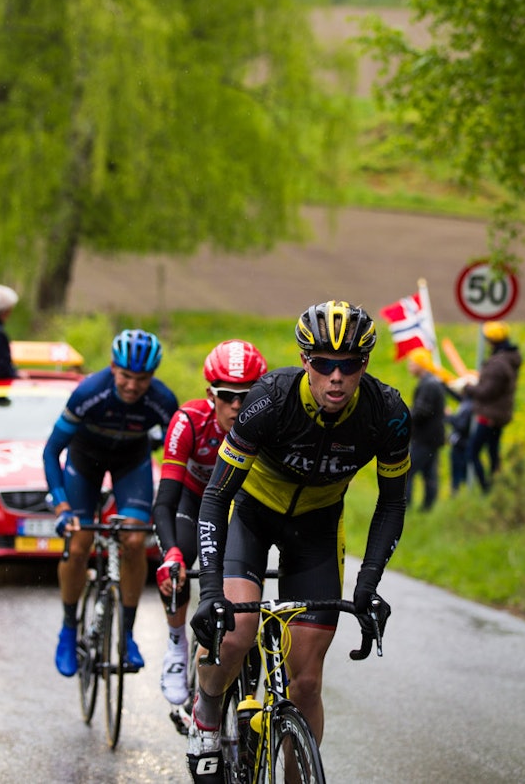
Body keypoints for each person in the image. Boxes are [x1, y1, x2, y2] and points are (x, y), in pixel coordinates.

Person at [186, 300, 409, 783]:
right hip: (252, 515)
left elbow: (392, 505)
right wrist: (208, 594)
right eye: (322, 363)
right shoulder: (269, 399)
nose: (335, 377)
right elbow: (216, 495)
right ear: (305, 360)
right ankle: (205, 715)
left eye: (348, 365)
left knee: (305, 682)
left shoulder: (386, 413)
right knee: (236, 633)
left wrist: (367, 587)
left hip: (316, 528)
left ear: (364, 365)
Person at [43, 329, 179, 677]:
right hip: (84, 463)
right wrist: (61, 506)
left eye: (142, 379)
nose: (133, 386)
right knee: (79, 542)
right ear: (112, 367)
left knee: (134, 540)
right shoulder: (89, 393)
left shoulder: (162, 401)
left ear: (153, 376)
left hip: (130, 464)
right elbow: (51, 451)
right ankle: (68, 628)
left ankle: (128, 635)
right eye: (125, 376)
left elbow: (178, 452)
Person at [153, 339, 269, 708]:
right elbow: (165, 500)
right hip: (193, 499)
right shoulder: (188, 421)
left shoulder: (267, 425)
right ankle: (176, 646)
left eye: (246, 396)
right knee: (176, 568)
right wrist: (171, 552)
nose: (236, 406)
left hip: (239, 505)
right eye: (227, 395)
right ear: (210, 394)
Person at [451, 320, 522, 494]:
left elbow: (486, 392)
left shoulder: (498, 364)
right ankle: (497, 488)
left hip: (489, 416)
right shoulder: (508, 359)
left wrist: (466, 387)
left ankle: (486, 490)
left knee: (472, 453)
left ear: (492, 341)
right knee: (492, 453)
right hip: (499, 415)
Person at [405, 347, 447, 512]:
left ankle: (404, 507)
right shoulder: (432, 381)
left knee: (407, 472)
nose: (409, 366)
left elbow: (422, 412)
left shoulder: (428, 384)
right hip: (433, 438)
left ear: (420, 365)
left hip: (424, 438)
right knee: (429, 474)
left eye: (411, 363)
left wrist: (404, 415)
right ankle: (427, 508)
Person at [446, 394, 474, 495]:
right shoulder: (467, 401)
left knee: (458, 472)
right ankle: (459, 493)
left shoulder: (469, 406)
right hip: (462, 443)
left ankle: (457, 494)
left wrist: (449, 417)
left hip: (462, 444)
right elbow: (454, 394)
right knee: (460, 471)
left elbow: (461, 426)